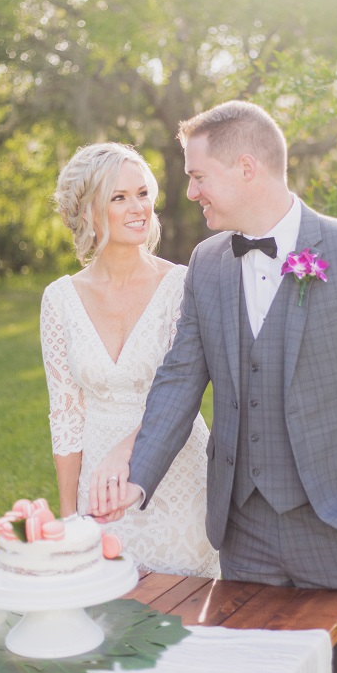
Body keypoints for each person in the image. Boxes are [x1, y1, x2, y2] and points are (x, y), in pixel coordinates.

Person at [97, 101, 337, 673]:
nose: (190, 191)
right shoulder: (207, 263)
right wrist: (137, 480)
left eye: (198, 176)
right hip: (245, 531)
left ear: (246, 167)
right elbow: (179, 379)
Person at [40, 142, 219, 577]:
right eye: (119, 198)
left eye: (142, 193)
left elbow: (185, 391)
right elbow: (66, 415)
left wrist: (132, 450)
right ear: (87, 212)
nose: (137, 207)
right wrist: (69, 517)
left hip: (180, 480)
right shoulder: (59, 299)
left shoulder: (182, 285)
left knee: (190, 620)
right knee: (103, 618)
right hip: (98, 490)